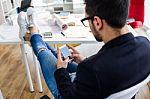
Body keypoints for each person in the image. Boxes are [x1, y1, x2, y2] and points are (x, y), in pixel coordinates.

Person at [18, 0, 150, 99]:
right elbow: (108, 68)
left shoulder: (92, 68)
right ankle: (35, 34)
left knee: (44, 53)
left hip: (83, 92)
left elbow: (69, 96)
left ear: (97, 22)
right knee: (56, 55)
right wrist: (84, 61)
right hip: (107, 85)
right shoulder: (146, 45)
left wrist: (62, 70)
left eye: (87, 20)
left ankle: (33, 33)